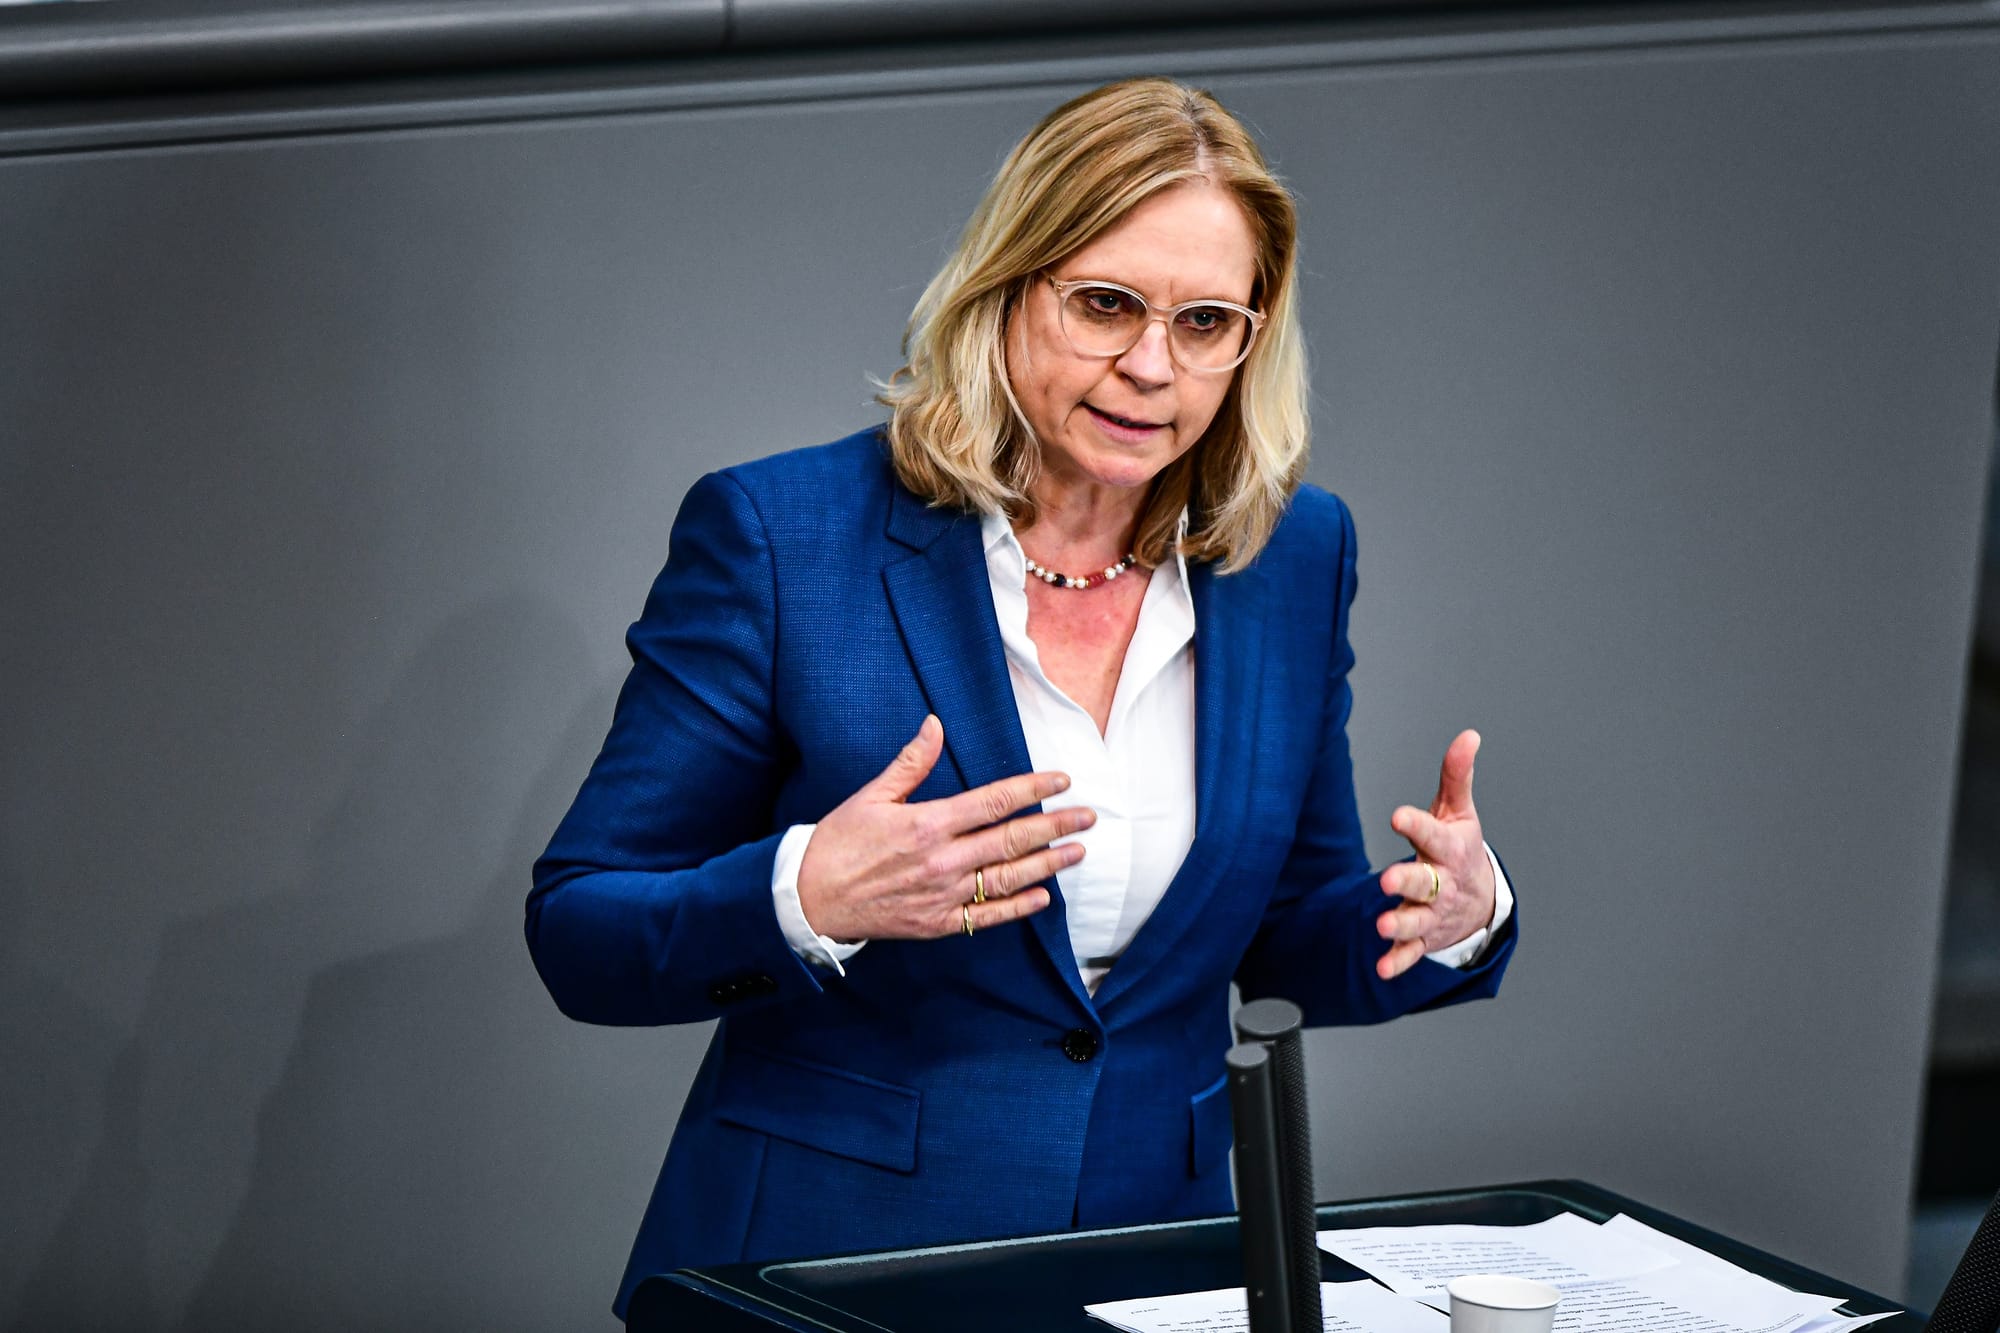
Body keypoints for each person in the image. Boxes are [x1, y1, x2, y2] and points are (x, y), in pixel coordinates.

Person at [526, 76, 1516, 1321]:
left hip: (1152, 1269)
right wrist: (805, 895)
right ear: (1004, 287)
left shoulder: (1291, 556)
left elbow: (1282, 938)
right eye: (1105, 304)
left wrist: (1448, 916)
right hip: (827, 1269)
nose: (1150, 366)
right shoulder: (782, 535)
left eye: (1204, 322)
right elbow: (580, 931)